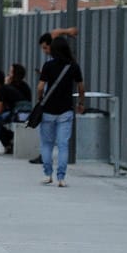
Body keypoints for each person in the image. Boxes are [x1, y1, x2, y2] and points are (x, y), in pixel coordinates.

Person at [37, 36, 85, 187]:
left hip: (48, 110)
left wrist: (41, 100)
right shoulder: (74, 66)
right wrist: (81, 103)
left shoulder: (48, 65)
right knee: (63, 145)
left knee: (47, 144)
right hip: (65, 111)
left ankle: (47, 174)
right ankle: (61, 178)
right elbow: (81, 87)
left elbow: (40, 87)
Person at [29, 26, 79, 164]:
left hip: (55, 103)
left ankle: (46, 156)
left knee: (50, 134)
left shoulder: (59, 60)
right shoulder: (56, 62)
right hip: (61, 102)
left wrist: (67, 31)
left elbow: (54, 33)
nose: (45, 51)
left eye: (46, 48)